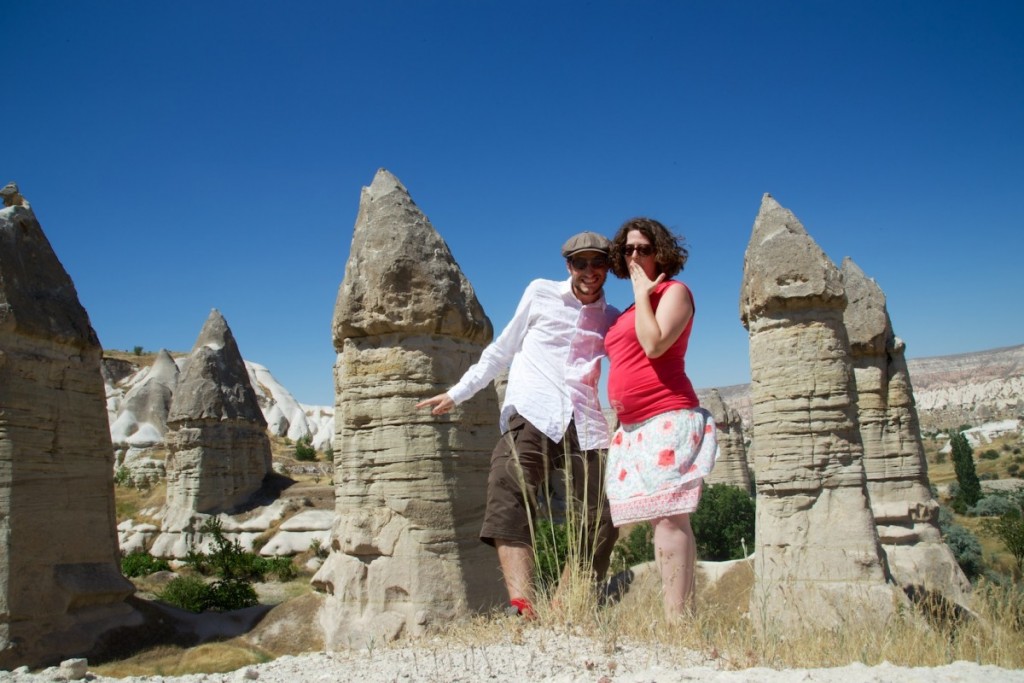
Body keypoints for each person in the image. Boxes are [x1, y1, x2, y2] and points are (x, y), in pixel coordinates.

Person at [416, 231, 621, 618]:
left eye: (598, 262)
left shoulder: (611, 318)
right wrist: (458, 393)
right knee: (506, 490)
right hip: (534, 412)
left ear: (607, 267)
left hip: (587, 423)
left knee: (604, 516)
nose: (590, 271)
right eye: (581, 263)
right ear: (568, 266)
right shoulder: (540, 292)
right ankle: (523, 607)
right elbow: (502, 350)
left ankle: (565, 606)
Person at [602, 217, 718, 618]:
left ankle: (678, 622)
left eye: (644, 249)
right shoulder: (629, 310)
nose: (635, 256)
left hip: (667, 414)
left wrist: (643, 293)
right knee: (657, 521)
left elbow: (654, 345)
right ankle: (675, 616)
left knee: (670, 518)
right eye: (628, 249)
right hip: (632, 428)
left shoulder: (675, 293)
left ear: (661, 252)